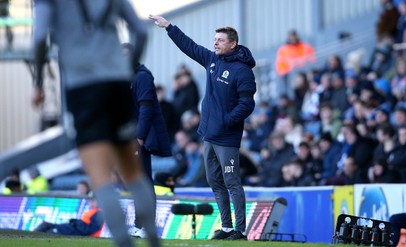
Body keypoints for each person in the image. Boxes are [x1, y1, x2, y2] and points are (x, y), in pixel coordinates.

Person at [32, 1, 159, 247]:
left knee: (100, 177)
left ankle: (124, 241)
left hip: (83, 87)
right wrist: (128, 70)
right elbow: (141, 31)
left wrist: (38, 82)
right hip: (117, 83)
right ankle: (153, 239)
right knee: (133, 172)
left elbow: (39, 37)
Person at [150, 15, 256, 240]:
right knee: (214, 182)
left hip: (227, 138)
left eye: (220, 40)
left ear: (232, 44)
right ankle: (226, 227)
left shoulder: (243, 71)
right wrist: (169, 27)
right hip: (208, 136)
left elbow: (247, 104)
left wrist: (227, 120)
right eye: (214, 39)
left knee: (232, 182)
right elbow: (189, 46)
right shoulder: (212, 60)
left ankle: (241, 230)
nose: (215, 43)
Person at [122, 42, 172, 182]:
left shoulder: (142, 77)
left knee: (143, 179)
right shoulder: (125, 78)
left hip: (138, 136)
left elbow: (146, 109)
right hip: (128, 135)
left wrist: (140, 136)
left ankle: (148, 205)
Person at [34, 197, 104, 237]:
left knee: (49, 232)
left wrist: (76, 222)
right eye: (90, 201)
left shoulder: (99, 213)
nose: (90, 203)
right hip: (71, 228)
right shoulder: (94, 211)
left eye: (92, 201)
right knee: (45, 224)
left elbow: (90, 229)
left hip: (75, 232)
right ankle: (28, 238)